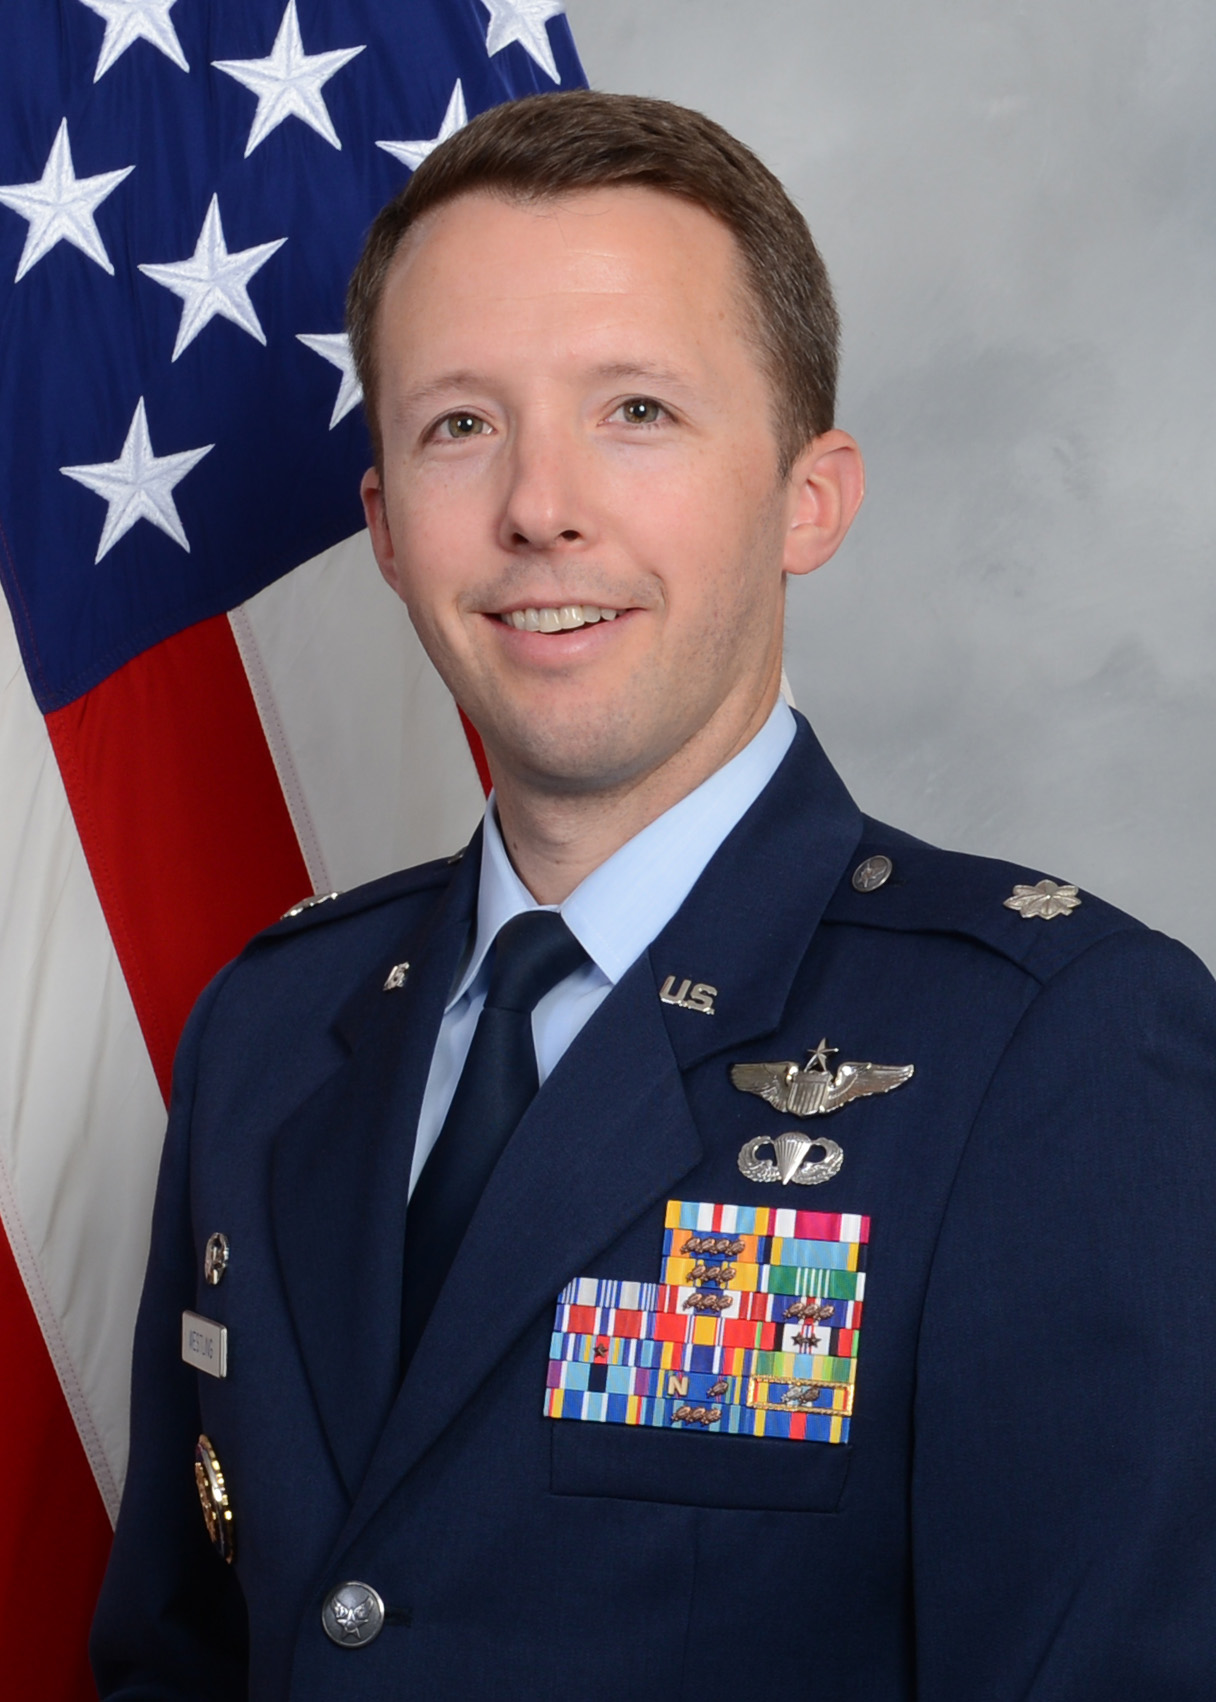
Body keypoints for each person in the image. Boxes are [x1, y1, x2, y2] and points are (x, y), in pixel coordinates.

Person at [92, 90, 1216, 1700]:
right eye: (458, 424)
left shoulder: (1060, 1051)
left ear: (806, 500)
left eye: (635, 409)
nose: (540, 505)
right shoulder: (271, 1033)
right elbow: (177, 1656)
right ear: (386, 528)